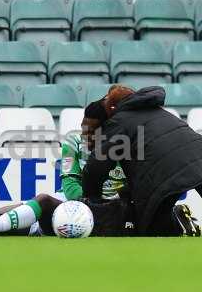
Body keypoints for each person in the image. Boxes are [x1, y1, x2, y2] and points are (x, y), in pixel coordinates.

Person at [0, 85, 200, 237]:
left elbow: (107, 172)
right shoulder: (73, 144)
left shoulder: (119, 133)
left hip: (110, 210)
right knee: (42, 202)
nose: (86, 137)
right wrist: (88, 201)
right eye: (83, 131)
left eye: (91, 132)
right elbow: (73, 183)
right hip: (81, 205)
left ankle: (176, 224)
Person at [82, 85, 202, 237]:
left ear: (113, 107)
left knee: (151, 230)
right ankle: (181, 223)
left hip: (164, 172)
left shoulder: (119, 122)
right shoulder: (160, 112)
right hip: (197, 154)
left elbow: (95, 169)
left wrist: (90, 203)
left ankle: (179, 223)